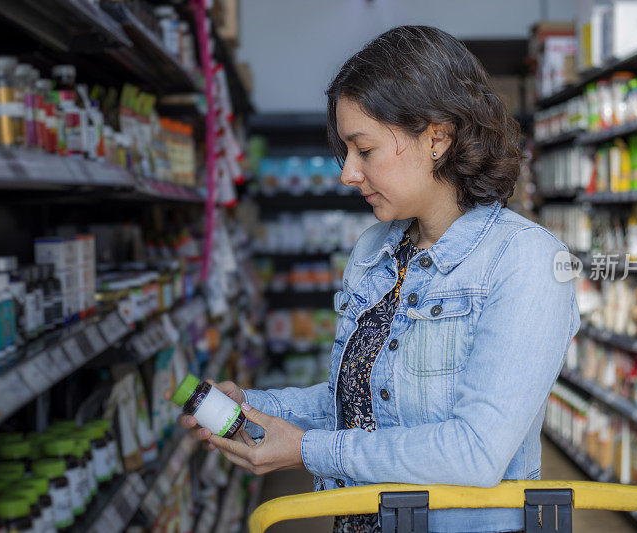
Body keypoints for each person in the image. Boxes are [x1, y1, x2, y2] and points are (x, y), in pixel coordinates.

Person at [173, 25, 580, 533]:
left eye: (364, 150)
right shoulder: (375, 250)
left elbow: (475, 452)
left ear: (437, 137)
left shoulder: (525, 261)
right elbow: (358, 402)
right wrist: (253, 406)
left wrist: (308, 450)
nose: (347, 173)